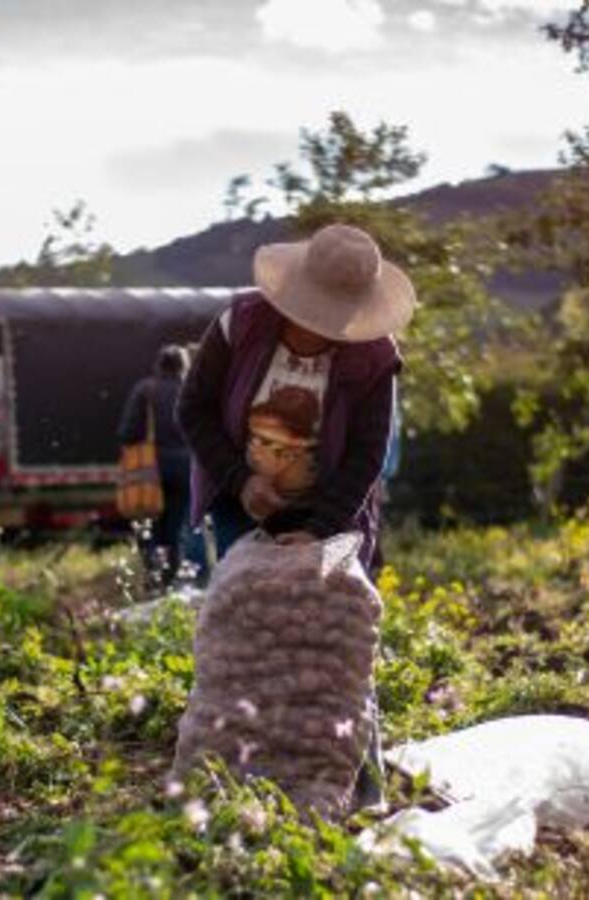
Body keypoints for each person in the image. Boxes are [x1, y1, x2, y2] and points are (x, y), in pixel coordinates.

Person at [176, 222, 412, 811]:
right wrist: (240, 479)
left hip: (339, 517)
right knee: (242, 623)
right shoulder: (239, 327)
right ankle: (230, 772)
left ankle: (361, 784)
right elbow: (193, 410)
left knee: (341, 627)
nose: (327, 327)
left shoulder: (375, 359)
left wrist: (324, 526)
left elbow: (367, 455)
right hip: (241, 505)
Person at [118, 345, 192, 588]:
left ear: (158, 365)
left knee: (148, 522)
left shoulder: (145, 390)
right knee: (176, 525)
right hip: (185, 468)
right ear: (184, 365)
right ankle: (172, 581)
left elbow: (127, 433)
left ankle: (153, 577)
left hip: (151, 468)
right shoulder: (191, 389)